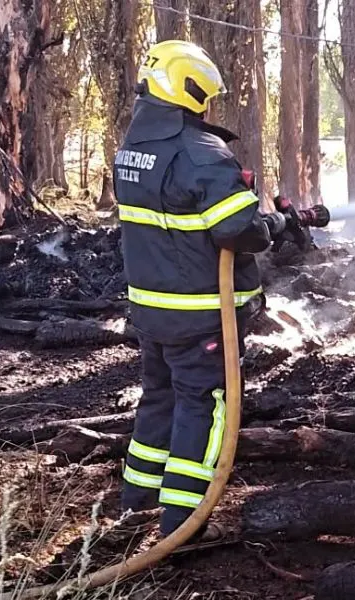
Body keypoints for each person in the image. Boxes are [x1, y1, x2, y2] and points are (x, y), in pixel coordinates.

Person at [116, 40, 327, 543]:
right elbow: (239, 231)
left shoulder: (133, 149)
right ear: (189, 90)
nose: (208, 107)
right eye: (205, 97)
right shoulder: (200, 152)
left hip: (152, 311)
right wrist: (273, 222)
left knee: (159, 398)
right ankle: (182, 529)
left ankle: (136, 506)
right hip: (201, 315)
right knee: (204, 408)